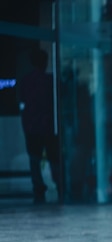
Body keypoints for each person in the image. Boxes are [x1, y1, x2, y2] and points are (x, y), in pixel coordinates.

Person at [19, 47, 61, 204]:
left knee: (35, 159)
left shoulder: (26, 81)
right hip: (49, 126)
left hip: (32, 127)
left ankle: (38, 186)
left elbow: (24, 104)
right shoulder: (50, 81)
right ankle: (58, 183)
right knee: (53, 158)